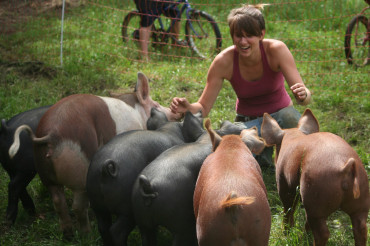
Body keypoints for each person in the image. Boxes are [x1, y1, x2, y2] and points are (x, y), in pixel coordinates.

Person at [170, 4, 312, 168]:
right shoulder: (224, 61)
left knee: (292, 119)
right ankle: (261, 155)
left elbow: (304, 99)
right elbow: (203, 107)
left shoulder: (276, 50)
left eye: (249, 35)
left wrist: (304, 94)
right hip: (248, 125)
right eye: (238, 36)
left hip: (280, 119)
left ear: (261, 34)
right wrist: (188, 108)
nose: (243, 41)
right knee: (232, 157)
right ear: (232, 36)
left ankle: (298, 154)